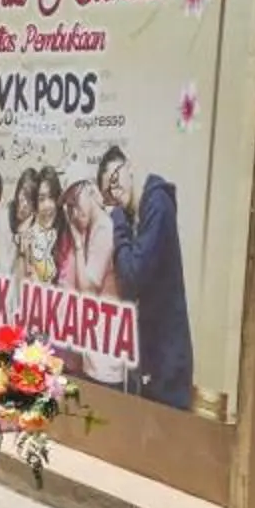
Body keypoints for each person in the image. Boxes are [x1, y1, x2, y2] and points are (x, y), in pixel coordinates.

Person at [100, 145, 195, 408]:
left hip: (167, 361)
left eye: (116, 180)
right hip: (152, 358)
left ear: (130, 167)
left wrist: (117, 218)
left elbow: (131, 278)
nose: (116, 193)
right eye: (109, 191)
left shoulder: (157, 204)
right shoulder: (139, 216)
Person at [57, 172, 131, 386]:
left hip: (105, 357)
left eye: (75, 199)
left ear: (90, 189)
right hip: (93, 351)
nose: (74, 210)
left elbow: (88, 289)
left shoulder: (103, 229)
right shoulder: (92, 228)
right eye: (69, 205)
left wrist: (78, 243)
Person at [16, 170, 63, 287]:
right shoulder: (29, 236)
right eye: (41, 199)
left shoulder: (65, 233)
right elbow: (22, 286)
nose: (47, 206)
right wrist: (24, 253)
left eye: (51, 197)